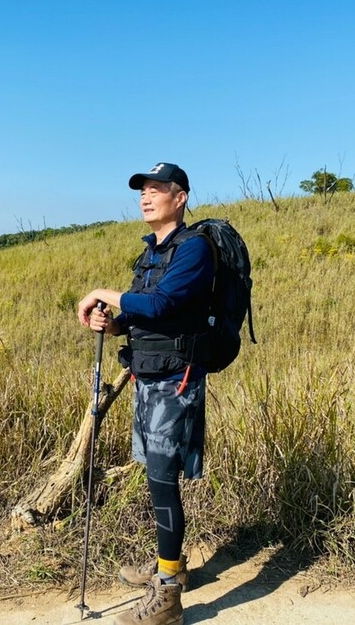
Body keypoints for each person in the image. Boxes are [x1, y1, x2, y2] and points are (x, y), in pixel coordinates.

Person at [77, 162, 214, 625]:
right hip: (149, 376)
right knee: (154, 476)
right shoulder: (152, 253)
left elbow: (160, 304)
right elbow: (142, 315)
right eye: (143, 190)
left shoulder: (193, 249)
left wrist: (100, 291)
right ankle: (165, 566)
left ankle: (169, 595)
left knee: (162, 478)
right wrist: (112, 323)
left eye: (157, 189)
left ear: (181, 198)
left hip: (176, 381)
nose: (146, 197)